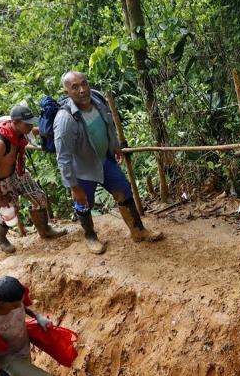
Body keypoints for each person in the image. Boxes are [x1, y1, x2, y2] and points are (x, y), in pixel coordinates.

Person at [53, 71, 163, 253]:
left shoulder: (97, 100)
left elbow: (108, 124)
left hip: (105, 160)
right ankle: (90, 237)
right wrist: (74, 187)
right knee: (83, 203)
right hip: (83, 170)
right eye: (75, 87)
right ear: (67, 93)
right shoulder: (65, 119)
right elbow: (63, 157)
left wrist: (114, 146)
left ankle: (138, 230)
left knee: (123, 190)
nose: (82, 90)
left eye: (84, 83)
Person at [0, 104, 67, 253]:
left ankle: (44, 230)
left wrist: (52, 130)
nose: (31, 126)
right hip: (2, 179)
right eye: (27, 123)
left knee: (39, 198)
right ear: (15, 122)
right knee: (10, 209)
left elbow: (35, 132)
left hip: (19, 172)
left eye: (32, 122)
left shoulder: (22, 131)